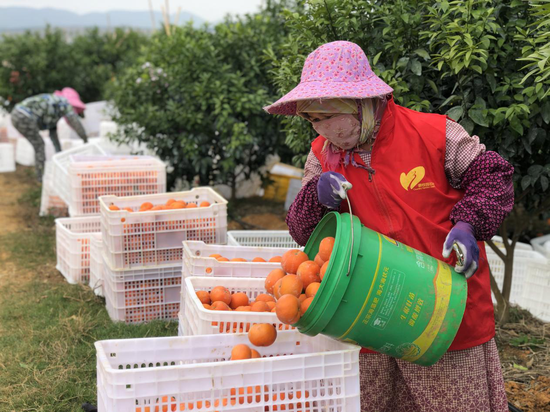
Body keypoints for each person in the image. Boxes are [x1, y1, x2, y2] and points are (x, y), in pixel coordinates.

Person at [264, 41, 513, 412]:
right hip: (367, 315)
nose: (324, 127)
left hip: (443, 307)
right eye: (313, 119)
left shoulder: (434, 135)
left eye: (330, 114)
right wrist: (316, 195)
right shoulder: (321, 155)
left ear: (363, 102)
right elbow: (302, 230)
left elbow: (493, 177)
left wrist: (468, 223)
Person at [10, 87, 88, 180]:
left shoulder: (54, 109)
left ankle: (41, 175)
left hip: (16, 114)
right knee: (39, 145)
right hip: (23, 115)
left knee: (38, 144)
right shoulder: (64, 102)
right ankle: (40, 178)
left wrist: (59, 155)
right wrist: (85, 140)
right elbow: (75, 122)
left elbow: (53, 136)